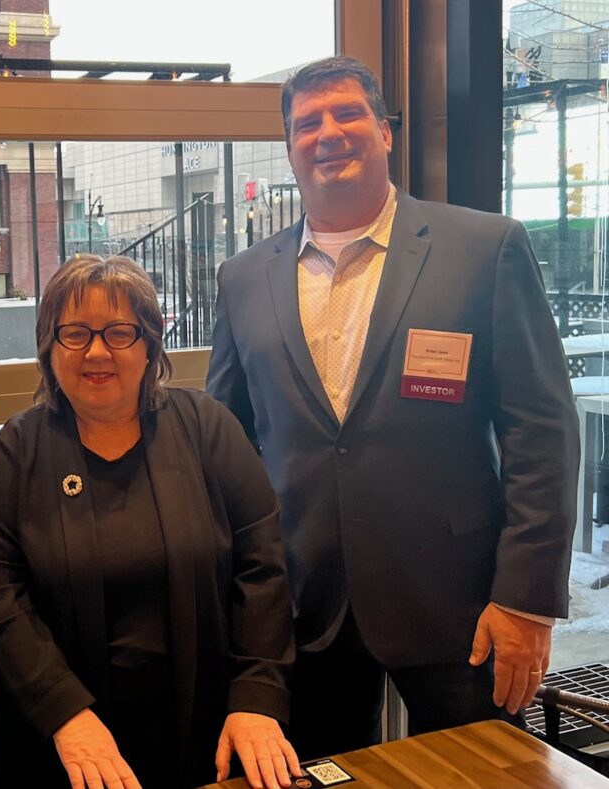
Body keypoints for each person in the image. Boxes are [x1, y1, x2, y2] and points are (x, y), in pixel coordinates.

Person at [206, 55, 580, 760]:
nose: (329, 133)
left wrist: (526, 597)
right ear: (290, 148)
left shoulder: (483, 248)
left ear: (384, 131)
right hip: (303, 606)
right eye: (307, 123)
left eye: (347, 113)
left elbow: (542, 429)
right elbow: (227, 444)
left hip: (459, 605)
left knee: (487, 775)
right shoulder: (243, 279)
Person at [0, 255, 298, 789]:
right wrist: (63, 713)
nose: (97, 351)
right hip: (61, 742)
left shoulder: (208, 429)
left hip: (207, 730)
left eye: (119, 332)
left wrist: (257, 698)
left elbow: (262, 569)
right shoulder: (16, 451)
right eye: (74, 333)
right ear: (49, 347)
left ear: (149, 344)